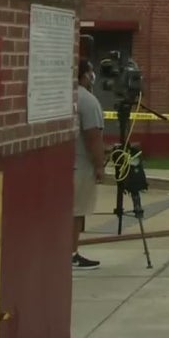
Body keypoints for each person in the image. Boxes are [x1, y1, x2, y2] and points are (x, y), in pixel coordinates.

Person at [74, 60, 105, 269]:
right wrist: (100, 165)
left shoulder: (63, 95)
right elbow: (93, 136)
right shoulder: (87, 100)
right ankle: (71, 253)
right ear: (86, 75)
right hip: (81, 165)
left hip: (64, 163)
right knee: (76, 212)